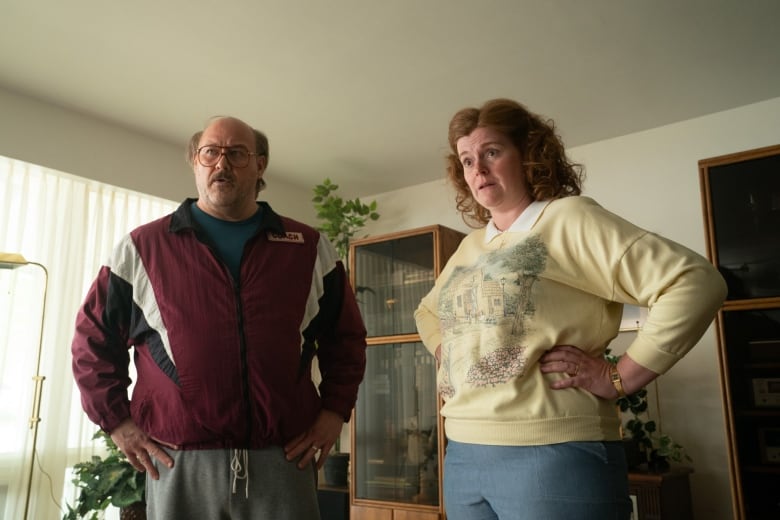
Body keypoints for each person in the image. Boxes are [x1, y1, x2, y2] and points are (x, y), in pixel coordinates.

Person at [414, 98, 727, 520]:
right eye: (467, 160)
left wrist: (620, 377)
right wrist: (446, 353)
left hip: (551, 453)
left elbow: (695, 282)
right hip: (463, 455)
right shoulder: (471, 247)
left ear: (528, 154)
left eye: (491, 152)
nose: (478, 171)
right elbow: (427, 313)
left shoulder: (568, 218)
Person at [71, 116, 367, 519]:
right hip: (178, 463)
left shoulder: (308, 247)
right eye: (210, 152)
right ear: (195, 161)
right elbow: (93, 341)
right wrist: (117, 422)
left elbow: (345, 339)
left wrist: (334, 412)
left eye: (237, 153)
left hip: (283, 460)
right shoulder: (142, 247)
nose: (221, 164)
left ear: (260, 165)